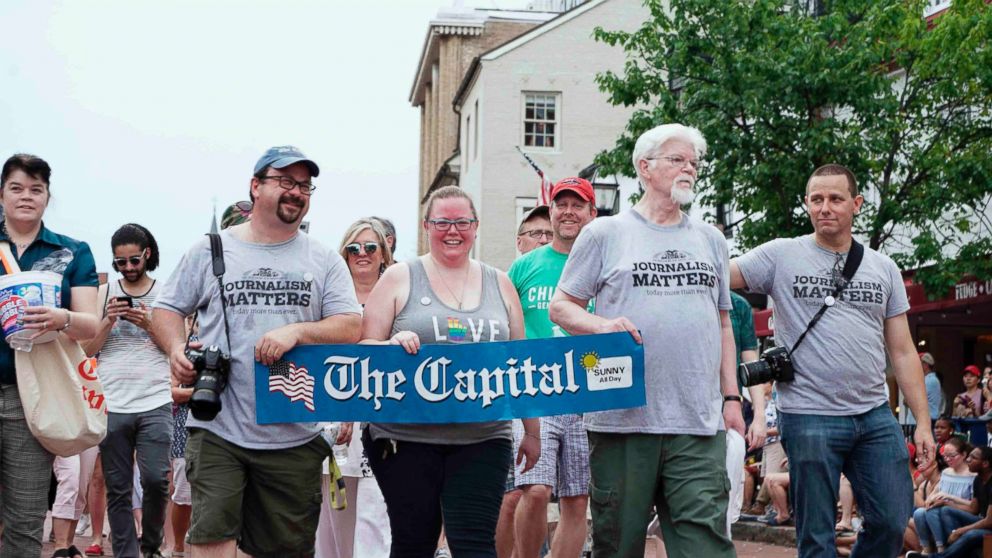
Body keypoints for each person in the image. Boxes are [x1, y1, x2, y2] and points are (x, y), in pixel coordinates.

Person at [151, 145, 362, 557]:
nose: (296, 192)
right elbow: (167, 308)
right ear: (255, 186)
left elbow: (351, 325)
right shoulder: (211, 249)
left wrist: (298, 332)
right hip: (219, 425)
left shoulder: (323, 259)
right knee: (212, 541)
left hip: (294, 432)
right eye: (285, 181)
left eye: (304, 185)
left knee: (281, 549)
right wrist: (176, 347)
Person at [549, 123, 743, 558]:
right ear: (645, 167)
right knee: (618, 545)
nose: (688, 169)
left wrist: (731, 397)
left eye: (693, 162)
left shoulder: (711, 239)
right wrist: (602, 327)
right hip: (622, 419)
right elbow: (561, 307)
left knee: (706, 546)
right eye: (677, 160)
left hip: (696, 420)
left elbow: (724, 324)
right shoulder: (605, 233)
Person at [731, 163, 936, 558]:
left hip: (874, 414)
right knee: (816, 534)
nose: (825, 207)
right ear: (806, 204)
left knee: (892, 520)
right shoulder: (781, 254)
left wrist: (923, 423)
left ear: (856, 204)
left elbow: (904, 350)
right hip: (808, 413)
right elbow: (718, 274)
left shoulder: (883, 268)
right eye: (817, 199)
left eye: (836, 199)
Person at [361, 185, 541, 557]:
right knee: (414, 542)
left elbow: (521, 362)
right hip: (405, 438)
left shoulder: (500, 283)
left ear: (475, 226)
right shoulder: (399, 278)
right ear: (427, 226)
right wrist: (390, 348)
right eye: (442, 222)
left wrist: (532, 432)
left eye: (462, 222)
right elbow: (364, 350)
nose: (453, 230)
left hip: (483, 437)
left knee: (476, 545)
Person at [0, 154, 100, 558]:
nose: (27, 197)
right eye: (17, 188)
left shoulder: (72, 252)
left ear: (47, 197)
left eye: (36, 189)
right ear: (2, 194)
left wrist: (61, 318)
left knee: (25, 520)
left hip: (36, 398)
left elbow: (90, 325)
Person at [506, 178, 597, 558]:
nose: (568, 212)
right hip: (535, 393)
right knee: (536, 489)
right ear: (552, 209)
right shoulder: (524, 267)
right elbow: (505, 326)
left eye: (578, 205)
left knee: (577, 500)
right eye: (562, 204)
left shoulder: (601, 265)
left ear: (592, 213)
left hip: (587, 391)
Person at [79, 223, 172, 558]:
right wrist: (107, 320)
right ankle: (125, 553)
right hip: (114, 400)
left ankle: (150, 546)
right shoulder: (104, 293)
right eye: (121, 262)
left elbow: (176, 347)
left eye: (135, 260)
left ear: (147, 254)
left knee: (156, 480)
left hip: (156, 399)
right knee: (117, 487)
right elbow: (86, 350)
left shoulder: (167, 292)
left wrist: (150, 324)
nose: (129, 268)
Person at [315, 218, 395, 558]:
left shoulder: (398, 294)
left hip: (384, 421)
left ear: (383, 254)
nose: (362, 254)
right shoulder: (329, 297)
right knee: (334, 520)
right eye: (354, 248)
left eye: (370, 247)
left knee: (377, 517)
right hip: (334, 418)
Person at [907, 446, 992, 557]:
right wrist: (947, 502)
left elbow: (989, 522)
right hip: (980, 519)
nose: (968, 460)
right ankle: (948, 550)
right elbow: (973, 509)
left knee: (970, 534)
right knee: (946, 510)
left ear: (985, 464)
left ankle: (938, 556)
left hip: (988, 526)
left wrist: (959, 531)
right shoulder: (978, 480)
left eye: (973, 458)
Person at [920, 353, 944, 421]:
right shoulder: (927, 379)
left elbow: (915, 399)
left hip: (929, 419)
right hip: (926, 419)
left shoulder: (930, 380)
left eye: (920, 363)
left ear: (926, 364)